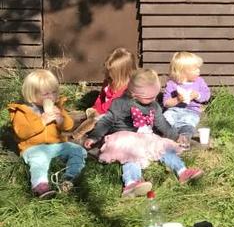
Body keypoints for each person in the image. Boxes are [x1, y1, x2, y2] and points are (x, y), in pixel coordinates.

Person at [85, 69, 201, 198]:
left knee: (164, 148)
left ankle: (182, 171)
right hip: (125, 138)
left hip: (146, 138)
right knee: (130, 157)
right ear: (133, 93)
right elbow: (107, 120)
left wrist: (177, 136)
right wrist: (94, 137)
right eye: (148, 97)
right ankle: (132, 183)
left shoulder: (154, 105)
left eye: (154, 96)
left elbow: (162, 124)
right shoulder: (121, 103)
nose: (153, 99)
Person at [9, 69, 86, 198]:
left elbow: (69, 126)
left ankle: (69, 178)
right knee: (39, 160)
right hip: (33, 148)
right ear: (32, 95)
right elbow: (21, 132)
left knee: (78, 150)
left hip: (57, 145)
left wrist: (61, 119)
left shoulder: (57, 107)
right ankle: (40, 186)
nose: (51, 96)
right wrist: (42, 122)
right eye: (46, 94)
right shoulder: (22, 111)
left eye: (54, 92)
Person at [72, 47, 137, 142]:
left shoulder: (128, 89)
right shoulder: (108, 81)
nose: (107, 75)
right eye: (107, 71)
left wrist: (100, 115)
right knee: (90, 115)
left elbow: (115, 108)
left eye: (111, 73)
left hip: (118, 119)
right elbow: (101, 97)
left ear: (122, 75)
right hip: (103, 113)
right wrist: (96, 109)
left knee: (99, 125)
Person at [162, 51, 211, 142]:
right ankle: (167, 138)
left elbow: (206, 95)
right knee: (165, 119)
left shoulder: (199, 81)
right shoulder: (172, 84)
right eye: (195, 69)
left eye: (198, 68)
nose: (198, 71)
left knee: (188, 123)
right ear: (183, 72)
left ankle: (184, 139)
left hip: (191, 111)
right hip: (173, 110)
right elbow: (166, 103)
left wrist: (197, 95)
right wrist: (177, 99)